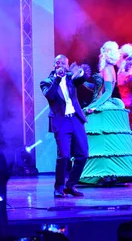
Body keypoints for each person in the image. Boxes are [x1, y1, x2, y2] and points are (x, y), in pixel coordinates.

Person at [79, 41, 132, 185]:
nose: (101, 53)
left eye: (103, 51)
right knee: (100, 141)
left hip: (102, 104)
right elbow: (97, 88)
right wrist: (82, 81)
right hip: (99, 101)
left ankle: (105, 174)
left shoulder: (108, 68)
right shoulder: (106, 68)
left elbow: (107, 92)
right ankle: (100, 174)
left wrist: (95, 105)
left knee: (103, 141)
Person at [40, 54, 88, 198]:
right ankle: (58, 187)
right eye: (57, 62)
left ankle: (70, 185)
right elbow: (50, 96)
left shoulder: (71, 79)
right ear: (54, 65)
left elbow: (83, 77)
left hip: (75, 119)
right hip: (61, 122)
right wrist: (57, 79)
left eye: (63, 63)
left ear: (67, 66)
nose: (60, 65)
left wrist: (80, 71)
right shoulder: (47, 81)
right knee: (65, 156)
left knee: (83, 155)